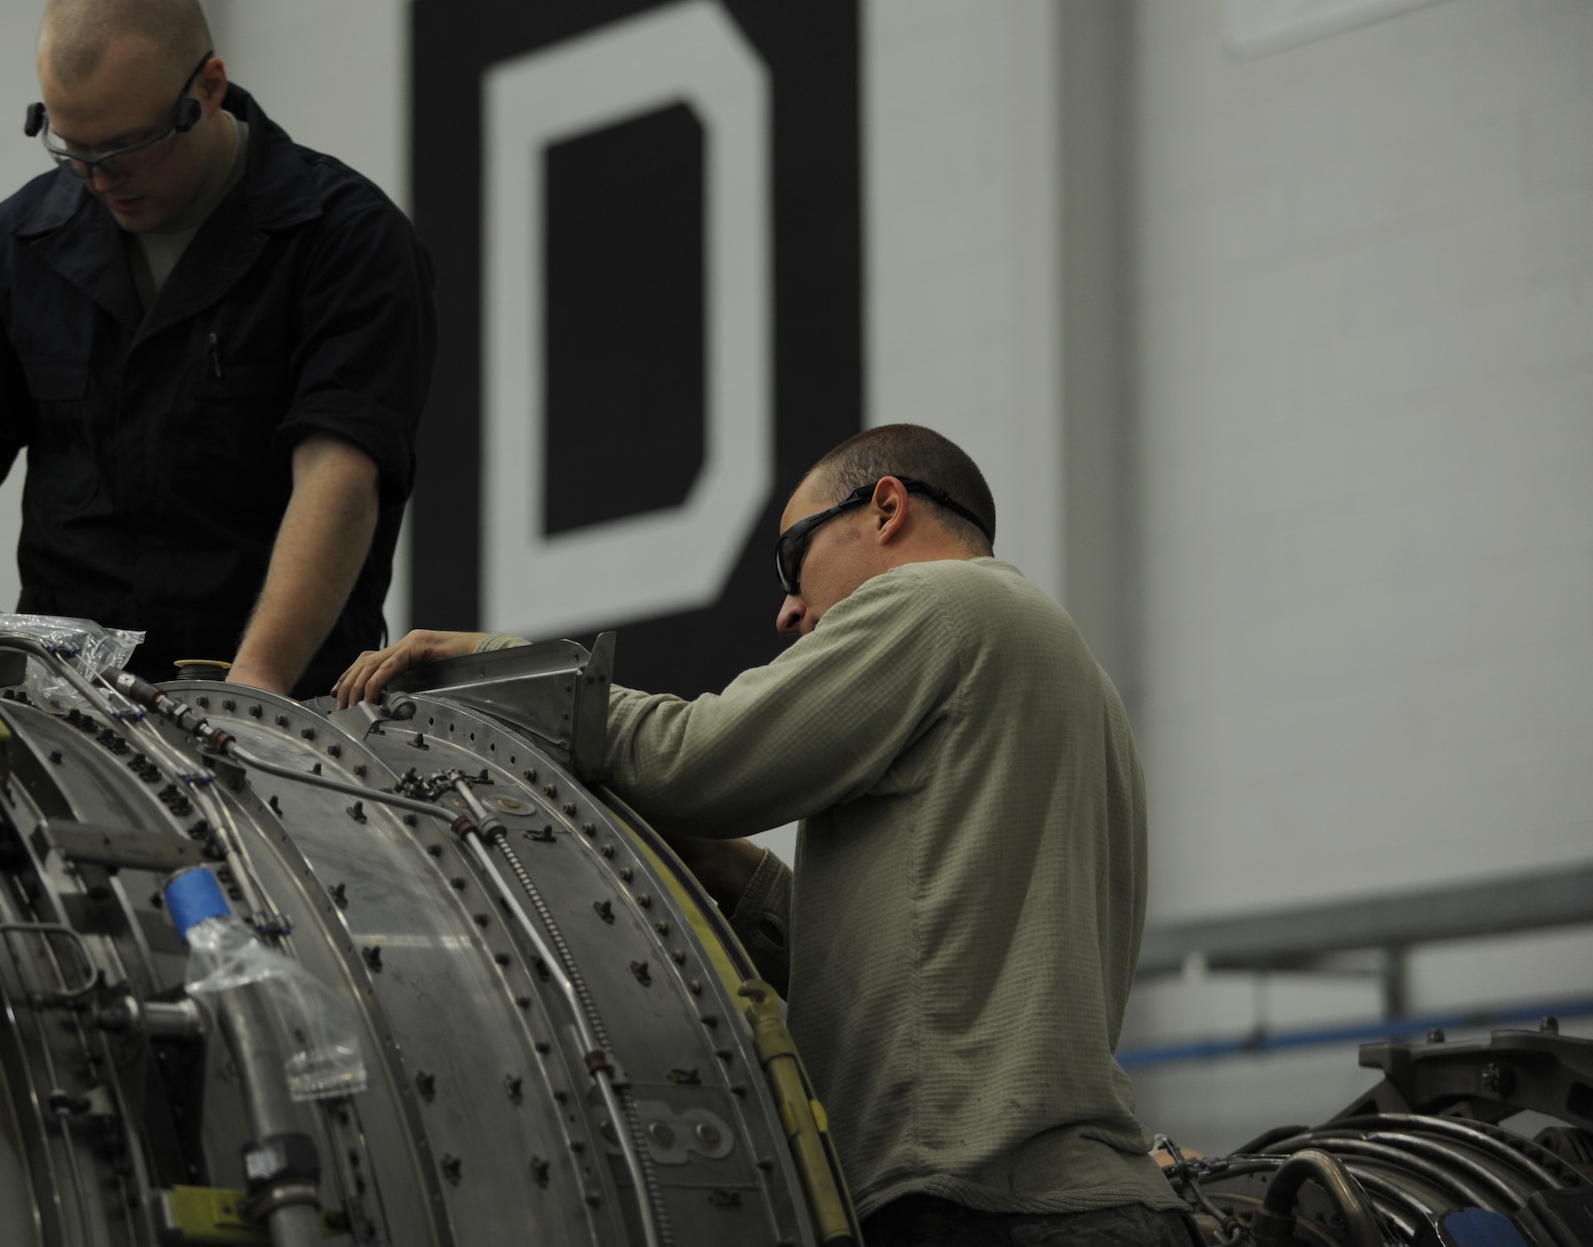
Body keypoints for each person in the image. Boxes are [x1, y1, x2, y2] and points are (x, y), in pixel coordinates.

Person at [335, 424, 1191, 1247]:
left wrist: (501, 664)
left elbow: (694, 759)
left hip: (964, 1200)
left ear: (886, 509)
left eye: (793, 561)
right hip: (1086, 1200)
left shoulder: (937, 602)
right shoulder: (1071, 674)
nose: (787, 611)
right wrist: (724, 868)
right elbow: (925, 959)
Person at [0, 0, 435, 696]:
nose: (103, 180)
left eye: (128, 149)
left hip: (290, 710)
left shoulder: (343, 241)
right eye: (74, 151)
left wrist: (255, 691)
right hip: (69, 712)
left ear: (207, 89)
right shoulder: (16, 247)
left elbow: (340, 478)